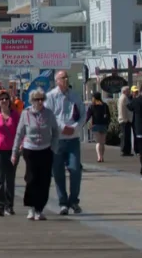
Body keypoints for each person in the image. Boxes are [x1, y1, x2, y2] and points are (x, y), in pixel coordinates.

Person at [12, 89, 60, 221]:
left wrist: (54, 148)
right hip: (30, 149)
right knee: (31, 178)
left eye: (42, 99)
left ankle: (40, 208)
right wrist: (14, 152)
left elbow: (56, 131)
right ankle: (31, 207)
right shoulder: (25, 114)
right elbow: (19, 133)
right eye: (37, 99)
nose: (40, 102)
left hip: (46, 149)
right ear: (32, 101)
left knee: (44, 180)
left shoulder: (49, 114)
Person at [45, 71, 84, 215]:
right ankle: (63, 202)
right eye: (63, 78)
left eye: (67, 77)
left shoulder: (75, 95)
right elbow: (49, 115)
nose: (66, 80)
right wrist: (62, 127)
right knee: (58, 172)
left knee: (75, 170)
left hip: (73, 139)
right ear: (57, 81)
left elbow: (83, 113)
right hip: (57, 139)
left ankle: (73, 200)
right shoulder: (50, 96)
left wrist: (75, 127)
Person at [85, 93, 111, 163]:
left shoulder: (92, 106)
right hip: (104, 125)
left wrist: (83, 123)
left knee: (98, 142)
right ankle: (102, 156)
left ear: (94, 98)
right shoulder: (105, 105)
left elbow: (87, 116)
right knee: (102, 142)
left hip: (95, 125)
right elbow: (109, 115)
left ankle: (99, 157)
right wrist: (108, 123)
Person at [117, 86, 134, 157]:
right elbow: (122, 110)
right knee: (125, 136)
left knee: (127, 136)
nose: (129, 91)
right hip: (125, 120)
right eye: (128, 90)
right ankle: (125, 150)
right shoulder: (123, 98)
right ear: (124, 91)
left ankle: (127, 150)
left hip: (126, 119)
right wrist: (125, 119)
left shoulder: (124, 97)